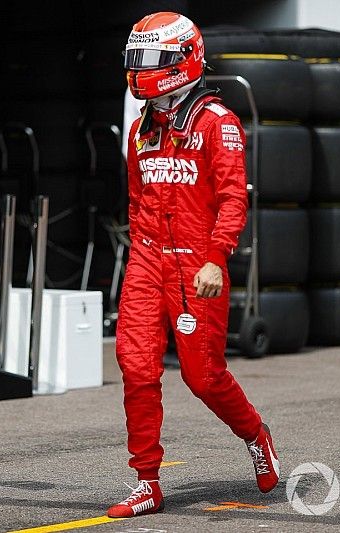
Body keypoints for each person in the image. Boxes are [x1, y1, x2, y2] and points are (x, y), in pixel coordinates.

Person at [107, 12, 280, 519]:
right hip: (147, 259)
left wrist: (214, 257)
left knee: (203, 377)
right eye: (135, 61)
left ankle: (255, 433)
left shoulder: (217, 124)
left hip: (196, 267)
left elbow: (233, 199)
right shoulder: (141, 129)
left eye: (149, 61)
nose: (139, 71)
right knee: (135, 365)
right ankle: (146, 482)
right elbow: (137, 200)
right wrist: (142, 255)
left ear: (183, 60)